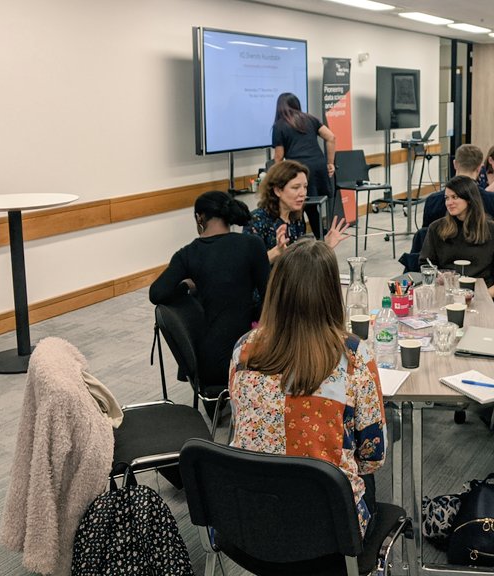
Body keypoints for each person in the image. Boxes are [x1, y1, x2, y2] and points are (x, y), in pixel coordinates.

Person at [228, 239, 386, 538]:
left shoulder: (243, 349)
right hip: (327, 526)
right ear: (330, 292)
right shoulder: (354, 355)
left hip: (250, 515)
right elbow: (373, 456)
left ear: (276, 290)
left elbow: (239, 420)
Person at [149, 191, 270, 400]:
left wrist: (187, 287)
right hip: (247, 355)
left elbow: (156, 293)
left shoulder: (187, 253)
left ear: (199, 218)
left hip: (208, 363)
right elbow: (271, 298)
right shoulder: (252, 245)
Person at [420, 175, 494, 319]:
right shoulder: (436, 228)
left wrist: (485, 296)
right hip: (445, 295)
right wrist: (438, 278)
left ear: (469, 199)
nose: (449, 202)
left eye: (455, 197)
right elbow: (426, 264)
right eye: (447, 198)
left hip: (483, 295)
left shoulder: (493, 230)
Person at [244, 160, 349, 262]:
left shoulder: (296, 218)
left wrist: (325, 246)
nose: (303, 193)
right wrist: (276, 252)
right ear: (277, 190)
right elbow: (249, 266)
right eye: (295, 187)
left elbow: (301, 262)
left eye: (305, 187)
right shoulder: (256, 220)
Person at [272, 93, 337, 238]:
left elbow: (279, 157)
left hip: (298, 169)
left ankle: (299, 239)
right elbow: (331, 137)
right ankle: (322, 239)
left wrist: (276, 177)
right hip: (318, 166)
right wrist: (330, 163)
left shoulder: (279, 126)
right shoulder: (310, 119)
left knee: (299, 205)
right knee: (311, 205)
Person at [421, 144, 494, 237]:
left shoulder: (433, 200)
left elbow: (424, 238)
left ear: (455, 164)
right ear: (479, 168)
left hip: (443, 250)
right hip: (482, 249)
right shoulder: (493, 199)